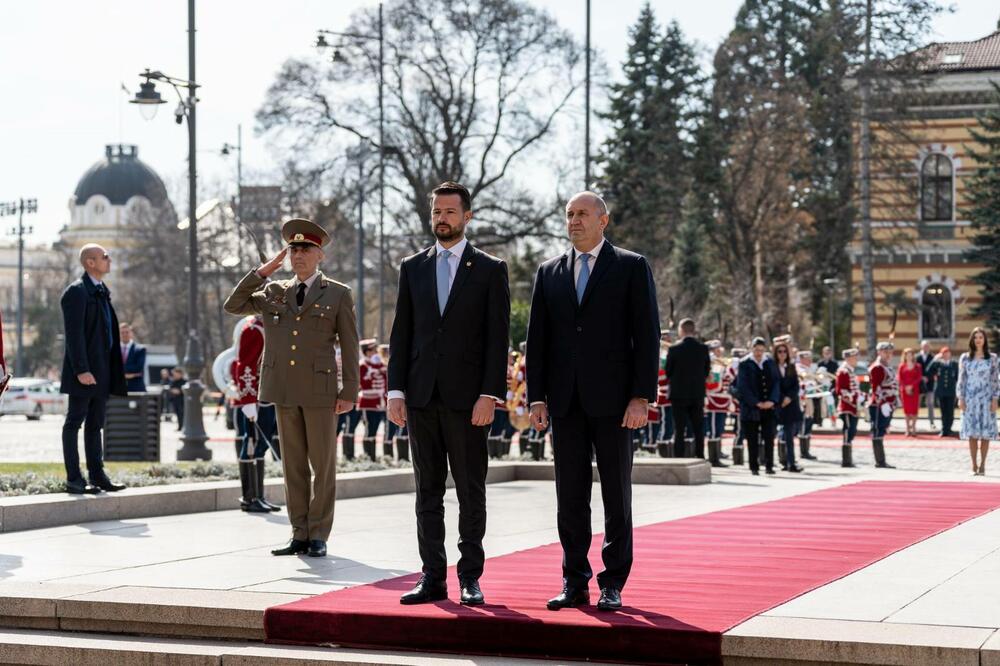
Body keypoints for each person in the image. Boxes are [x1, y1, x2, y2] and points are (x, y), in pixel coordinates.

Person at [527, 190, 659, 612]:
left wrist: (641, 396)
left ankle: (613, 581)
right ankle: (574, 580)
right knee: (570, 495)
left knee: (616, 495)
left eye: (583, 213)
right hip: (564, 402)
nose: (574, 221)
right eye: (569, 214)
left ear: (604, 219)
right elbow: (538, 341)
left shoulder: (631, 266)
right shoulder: (549, 272)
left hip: (616, 403)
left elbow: (647, 335)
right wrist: (536, 397)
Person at [387, 181, 510, 607]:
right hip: (420, 397)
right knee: (427, 492)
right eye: (437, 211)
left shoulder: (490, 269)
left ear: (467, 216)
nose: (442, 218)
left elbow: (498, 339)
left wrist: (490, 394)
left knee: (471, 490)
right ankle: (432, 576)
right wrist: (396, 390)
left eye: (451, 212)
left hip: (468, 400)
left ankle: (470, 578)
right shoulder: (412, 266)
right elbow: (401, 333)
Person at [224, 218, 359, 559]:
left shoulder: (338, 294)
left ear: (320, 255)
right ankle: (299, 532)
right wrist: (263, 271)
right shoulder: (273, 291)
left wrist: (349, 392)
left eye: (306, 249)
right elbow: (233, 305)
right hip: (283, 388)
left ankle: (319, 533)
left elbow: (350, 344)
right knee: (292, 466)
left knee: (323, 465)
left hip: (320, 389)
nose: (298, 255)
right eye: (293, 249)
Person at [59, 244, 128, 494]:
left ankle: (97, 476)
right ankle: (74, 479)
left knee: (96, 424)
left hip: (102, 371)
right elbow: (74, 336)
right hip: (84, 372)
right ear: (90, 262)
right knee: (74, 421)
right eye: (104, 257)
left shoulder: (101, 291)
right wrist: (81, 370)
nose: (109, 260)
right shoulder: (76, 292)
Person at [230, 314, 280, 513]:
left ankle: (258, 495)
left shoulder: (268, 326)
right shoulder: (254, 329)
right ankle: (249, 497)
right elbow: (246, 365)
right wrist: (248, 399)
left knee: (261, 445)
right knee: (250, 443)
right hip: (256, 397)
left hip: (267, 396)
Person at [664, 319, 710, 459]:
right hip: (697, 394)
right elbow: (706, 371)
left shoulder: (674, 349)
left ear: (681, 330)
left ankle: (679, 457)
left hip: (678, 394)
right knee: (698, 428)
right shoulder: (703, 349)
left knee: (679, 429)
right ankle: (700, 456)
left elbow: (668, 371)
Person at [735, 337, 780, 476]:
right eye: (756, 350)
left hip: (769, 406)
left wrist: (772, 400)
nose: (759, 353)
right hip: (751, 407)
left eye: (761, 350)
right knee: (752, 438)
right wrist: (756, 402)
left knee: (769, 437)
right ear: (752, 348)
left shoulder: (770, 362)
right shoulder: (744, 364)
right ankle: (754, 466)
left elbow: (776, 382)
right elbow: (743, 387)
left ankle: (769, 465)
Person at [957, 327, 999, 476]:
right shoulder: (965, 358)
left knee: (985, 433)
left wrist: (995, 399)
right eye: (976, 337)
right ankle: (974, 464)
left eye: (981, 337)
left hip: (986, 399)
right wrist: (960, 398)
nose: (978, 340)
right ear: (972, 340)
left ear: (985, 340)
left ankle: (983, 465)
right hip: (970, 400)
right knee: (972, 433)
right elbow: (961, 380)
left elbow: (995, 381)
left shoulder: (992, 358)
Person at [868, 342, 899, 469]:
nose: (888, 355)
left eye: (890, 352)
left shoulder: (886, 367)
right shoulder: (877, 367)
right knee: (878, 430)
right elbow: (876, 388)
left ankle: (881, 460)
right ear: (879, 352)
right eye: (885, 352)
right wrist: (883, 403)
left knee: (882, 430)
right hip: (879, 404)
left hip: (887, 403)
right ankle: (880, 461)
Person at [774, 341, 803, 473]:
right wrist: (781, 399)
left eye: (784, 351)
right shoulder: (772, 367)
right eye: (779, 351)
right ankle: (782, 461)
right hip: (777, 404)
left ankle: (791, 463)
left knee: (790, 435)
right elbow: (772, 385)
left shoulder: (791, 367)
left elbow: (796, 385)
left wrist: (789, 397)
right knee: (779, 435)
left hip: (791, 405)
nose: (782, 354)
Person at [357, 339, 387, 460]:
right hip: (368, 401)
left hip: (380, 402)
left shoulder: (380, 365)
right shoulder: (363, 365)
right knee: (370, 429)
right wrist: (371, 373)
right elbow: (362, 383)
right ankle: (368, 456)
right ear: (367, 352)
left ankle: (373, 457)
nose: (376, 352)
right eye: (373, 350)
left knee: (377, 428)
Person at [704, 340, 732, 467]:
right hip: (714, 401)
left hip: (722, 400)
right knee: (714, 430)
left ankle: (717, 454)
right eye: (716, 349)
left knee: (719, 429)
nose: (719, 351)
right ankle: (713, 459)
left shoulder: (720, 363)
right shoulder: (714, 363)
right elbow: (713, 385)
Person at [834, 348, 863, 467]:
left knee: (852, 430)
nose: (856, 360)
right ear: (848, 358)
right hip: (847, 406)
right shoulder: (843, 371)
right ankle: (846, 460)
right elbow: (840, 390)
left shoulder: (850, 371)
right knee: (848, 430)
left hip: (853, 406)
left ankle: (848, 457)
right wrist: (854, 398)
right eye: (855, 357)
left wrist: (860, 397)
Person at [928, 346, 959, 437]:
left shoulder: (954, 364)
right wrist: (934, 360)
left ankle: (948, 429)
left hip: (951, 392)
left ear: (950, 354)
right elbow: (928, 372)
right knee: (943, 411)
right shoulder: (938, 364)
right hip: (941, 392)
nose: (946, 355)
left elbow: (958, 378)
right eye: (944, 353)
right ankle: (944, 429)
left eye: (947, 353)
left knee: (950, 411)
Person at [795, 350, 819, 460]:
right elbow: (804, 381)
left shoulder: (808, 369)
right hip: (803, 400)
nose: (810, 361)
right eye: (808, 358)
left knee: (809, 422)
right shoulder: (799, 368)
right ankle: (803, 451)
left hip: (810, 399)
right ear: (802, 359)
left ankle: (806, 450)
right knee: (804, 424)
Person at [898, 348, 922, 437]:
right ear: (904, 356)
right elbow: (900, 378)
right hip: (904, 391)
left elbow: (919, 377)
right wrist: (906, 387)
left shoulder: (918, 366)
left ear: (913, 356)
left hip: (915, 390)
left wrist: (911, 386)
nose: (909, 356)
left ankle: (914, 428)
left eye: (910, 354)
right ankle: (907, 429)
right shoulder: (901, 366)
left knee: (914, 410)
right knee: (907, 411)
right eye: (907, 354)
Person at [119, 323, 147, 392]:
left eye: (127, 332)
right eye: (122, 332)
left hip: (136, 388)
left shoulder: (140, 349)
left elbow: (138, 367)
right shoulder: (113, 349)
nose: (125, 334)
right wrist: (132, 374)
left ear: (131, 333)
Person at [916, 340, 937, 430]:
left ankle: (932, 422)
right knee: (917, 404)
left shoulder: (933, 357)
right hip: (919, 384)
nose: (926, 348)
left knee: (930, 404)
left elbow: (935, 370)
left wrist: (928, 377)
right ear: (921, 347)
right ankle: (914, 423)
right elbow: (915, 369)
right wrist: (921, 377)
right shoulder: (917, 357)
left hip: (929, 384)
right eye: (924, 346)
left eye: (927, 346)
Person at [818, 346, 839, 427]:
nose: (827, 355)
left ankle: (833, 421)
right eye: (825, 353)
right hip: (822, 388)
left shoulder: (834, 364)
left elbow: (835, 376)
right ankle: (820, 421)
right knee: (821, 406)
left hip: (830, 388)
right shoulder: (820, 363)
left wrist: (828, 375)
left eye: (829, 353)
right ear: (823, 354)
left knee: (831, 405)